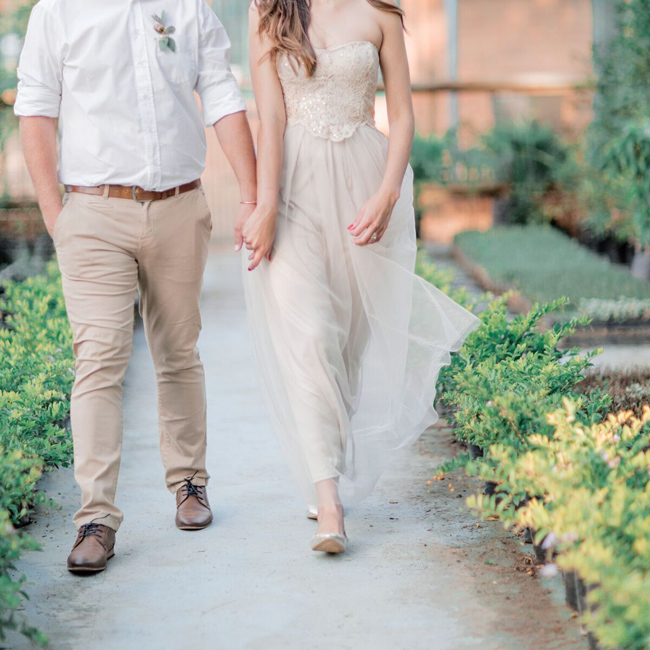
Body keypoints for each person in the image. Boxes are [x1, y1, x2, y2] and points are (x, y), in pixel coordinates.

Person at [15, 0, 257, 574]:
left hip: (179, 205)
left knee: (178, 351)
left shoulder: (188, 7)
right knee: (99, 359)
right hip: (94, 212)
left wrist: (251, 194)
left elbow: (222, 94)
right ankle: (95, 518)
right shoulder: (58, 11)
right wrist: (59, 218)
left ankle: (190, 484)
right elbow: (35, 108)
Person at [241, 0, 480, 554]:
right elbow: (270, 116)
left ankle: (325, 457)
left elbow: (403, 116)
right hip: (295, 190)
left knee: (348, 342)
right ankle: (329, 502)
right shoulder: (268, 11)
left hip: (365, 187)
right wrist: (267, 203)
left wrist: (388, 193)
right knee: (311, 336)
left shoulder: (380, 15)